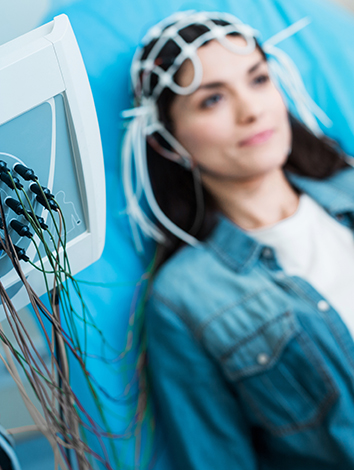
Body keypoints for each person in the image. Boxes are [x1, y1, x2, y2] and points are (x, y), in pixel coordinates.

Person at [122, 10, 354, 469]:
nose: (252, 110)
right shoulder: (185, 299)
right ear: (169, 140)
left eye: (258, 79)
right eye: (212, 100)